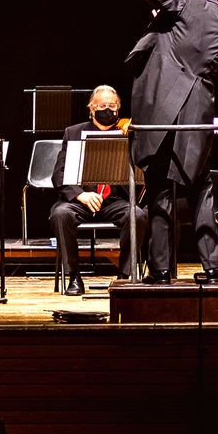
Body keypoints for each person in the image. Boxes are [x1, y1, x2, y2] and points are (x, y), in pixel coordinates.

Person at [108, 0, 218, 284]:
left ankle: (161, 270)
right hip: (198, 111)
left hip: (163, 108)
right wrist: (165, 19)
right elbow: (193, 54)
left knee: (160, 186)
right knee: (200, 186)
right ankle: (213, 267)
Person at [50, 85, 147, 296]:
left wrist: (137, 137)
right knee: (60, 213)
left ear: (119, 108)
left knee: (137, 215)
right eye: (102, 105)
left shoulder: (127, 132)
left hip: (114, 199)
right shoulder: (74, 132)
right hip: (81, 198)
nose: (107, 110)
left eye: (112, 106)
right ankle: (74, 276)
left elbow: (143, 169)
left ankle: (125, 276)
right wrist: (80, 194)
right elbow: (58, 174)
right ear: (91, 109)